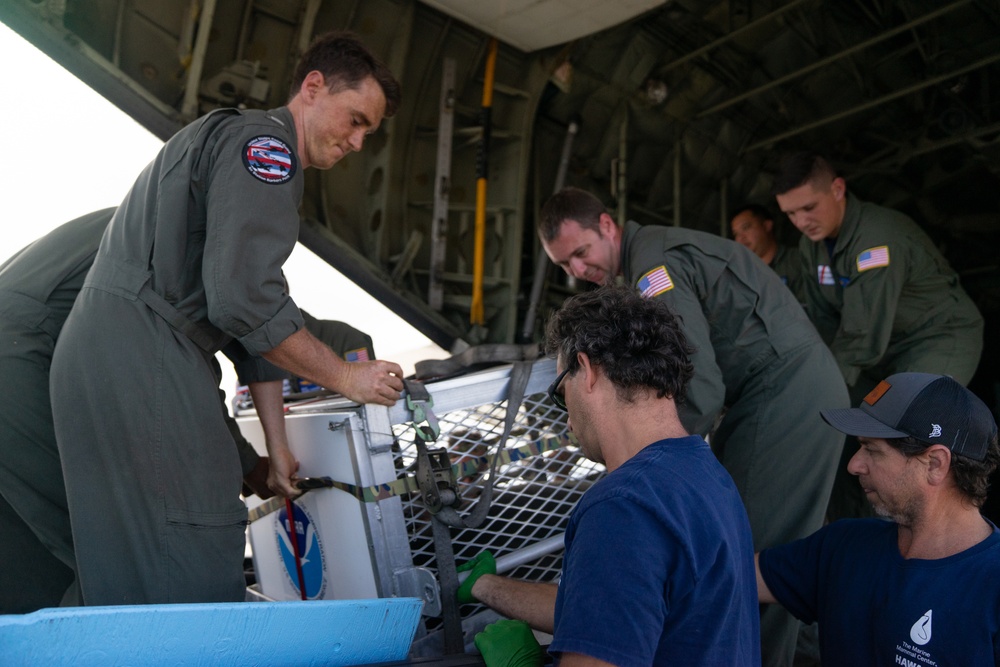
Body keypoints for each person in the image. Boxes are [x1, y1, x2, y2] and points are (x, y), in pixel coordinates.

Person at [49, 32, 404, 606]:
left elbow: (248, 329)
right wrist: (347, 376)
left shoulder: (232, 137)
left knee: (125, 564)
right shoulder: (268, 147)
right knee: (193, 537)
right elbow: (242, 299)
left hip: (102, 354)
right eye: (356, 119)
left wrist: (276, 443)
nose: (359, 142)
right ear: (313, 88)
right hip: (147, 351)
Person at [537, 186, 847, 666]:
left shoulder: (653, 267)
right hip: (786, 394)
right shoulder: (648, 256)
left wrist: (638, 473)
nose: (578, 271)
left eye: (580, 253)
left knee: (746, 565)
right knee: (778, 553)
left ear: (607, 226)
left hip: (783, 393)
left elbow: (698, 386)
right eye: (564, 266)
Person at [463, 285, 760, 666]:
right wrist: (486, 587)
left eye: (559, 392)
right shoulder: (707, 474)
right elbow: (614, 611)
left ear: (586, 371)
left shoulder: (622, 507)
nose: (567, 416)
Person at [0, 210, 272, 613]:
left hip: (24, 356)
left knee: (25, 551)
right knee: (110, 543)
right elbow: (193, 368)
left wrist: (249, 463)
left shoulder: (136, 220)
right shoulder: (196, 244)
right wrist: (256, 465)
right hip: (18, 365)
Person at [772, 151, 984, 520]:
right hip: (879, 351)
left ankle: (929, 536)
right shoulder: (811, 247)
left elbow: (861, 333)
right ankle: (851, 528)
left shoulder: (876, 240)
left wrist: (812, 387)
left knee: (906, 430)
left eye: (809, 207)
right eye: (790, 214)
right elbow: (823, 322)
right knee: (834, 422)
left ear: (838, 189)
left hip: (937, 336)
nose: (801, 221)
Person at [756, 372, 1000, 665]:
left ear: (935, 464)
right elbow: (729, 577)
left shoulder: (990, 585)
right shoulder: (844, 545)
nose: (854, 464)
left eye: (872, 449)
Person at [730, 203, 806, 303]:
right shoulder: (741, 274)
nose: (741, 238)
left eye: (746, 227)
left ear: (766, 226)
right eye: (736, 234)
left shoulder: (798, 260)